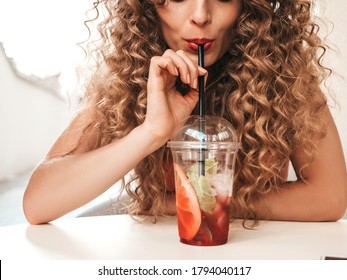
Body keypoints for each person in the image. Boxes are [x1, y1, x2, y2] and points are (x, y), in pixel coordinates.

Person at [23, 0, 347, 225]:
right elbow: (38, 203)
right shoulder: (128, 75)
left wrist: (185, 203)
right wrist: (151, 132)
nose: (201, 16)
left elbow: (330, 198)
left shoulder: (283, 70)